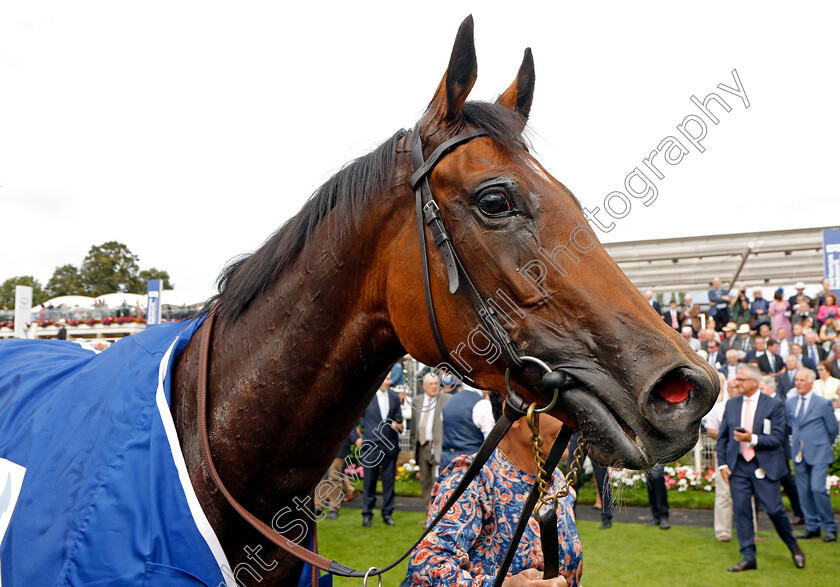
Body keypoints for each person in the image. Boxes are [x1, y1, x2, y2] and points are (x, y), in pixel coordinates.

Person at [405, 413, 581, 587]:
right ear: (518, 413)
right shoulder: (473, 479)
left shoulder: (557, 480)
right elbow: (426, 569)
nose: (571, 420)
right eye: (556, 407)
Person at [716, 363, 804, 571]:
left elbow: (778, 438)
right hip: (738, 467)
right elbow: (723, 439)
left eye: (741, 379)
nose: (737, 382)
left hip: (764, 466)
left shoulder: (773, 405)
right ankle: (748, 557)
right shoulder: (732, 404)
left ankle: (793, 546)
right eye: (737, 379)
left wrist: (752, 438)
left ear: (754, 382)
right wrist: (723, 464)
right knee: (742, 512)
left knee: (774, 510)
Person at [786, 369, 839, 542]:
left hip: (819, 453)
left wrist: (822, 445)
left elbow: (833, 429)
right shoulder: (791, 402)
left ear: (811, 382)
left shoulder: (822, 403)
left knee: (817, 489)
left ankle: (830, 527)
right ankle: (813, 526)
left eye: (802, 380)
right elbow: (791, 425)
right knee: (803, 492)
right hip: (799, 453)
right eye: (796, 380)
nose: (798, 383)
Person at [352, 373, 403, 527]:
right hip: (370, 448)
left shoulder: (395, 397)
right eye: (385, 379)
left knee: (389, 484)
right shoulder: (367, 397)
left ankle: (387, 514)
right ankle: (367, 514)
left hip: (390, 447)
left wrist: (398, 426)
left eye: (389, 379)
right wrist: (358, 439)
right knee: (369, 483)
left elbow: (400, 422)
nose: (388, 382)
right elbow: (352, 421)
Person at [759, 376, 805, 525]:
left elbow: (783, 428)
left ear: (772, 388)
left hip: (779, 450)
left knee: (787, 482)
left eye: (762, 389)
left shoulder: (780, 403)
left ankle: (799, 512)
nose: (760, 392)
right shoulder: (761, 404)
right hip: (764, 447)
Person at [410, 372, 451, 517]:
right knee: (425, 482)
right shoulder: (417, 401)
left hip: (438, 447)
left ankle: (438, 516)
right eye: (431, 384)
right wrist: (412, 447)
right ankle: (429, 515)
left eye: (436, 384)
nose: (434, 387)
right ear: (424, 386)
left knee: (438, 482)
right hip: (422, 447)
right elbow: (414, 427)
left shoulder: (447, 400)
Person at [439, 383, 495, 473]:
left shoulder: (449, 402)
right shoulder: (483, 404)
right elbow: (491, 443)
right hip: (471, 468)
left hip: (447, 464)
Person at [316, 434, 357, 520]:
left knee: (334, 478)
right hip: (320, 446)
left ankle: (333, 509)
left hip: (338, 446)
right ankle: (318, 507)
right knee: (318, 478)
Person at [645, 465, 670, 530]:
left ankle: (663, 516)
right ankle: (656, 516)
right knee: (650, 481)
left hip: (657, 457)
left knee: (657, 478)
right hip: (648, 458)